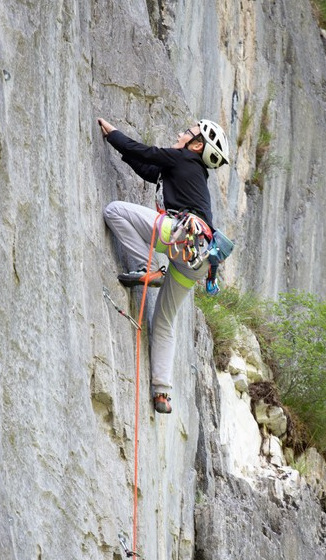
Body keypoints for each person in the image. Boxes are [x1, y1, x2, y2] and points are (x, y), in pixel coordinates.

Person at [98, 117, 230, 414]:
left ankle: (151, 268)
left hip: (180, 236)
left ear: (197, 145)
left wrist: (112, 133)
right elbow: (148, 169)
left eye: (187, 132)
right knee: (164, 321)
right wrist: (116, 144)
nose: (179, 132)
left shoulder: (184, 158)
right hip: (197, 260)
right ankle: (162, 392)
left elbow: (146, 152)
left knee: (114, 210)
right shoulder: (187, 168)